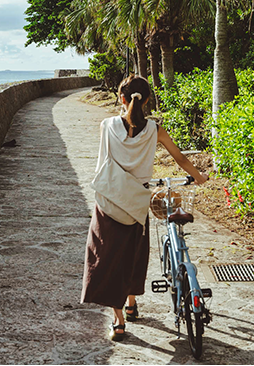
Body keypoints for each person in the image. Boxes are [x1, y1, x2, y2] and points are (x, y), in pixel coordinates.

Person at [81, 74, 208, 341]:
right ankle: (131, 304)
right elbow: (180, 157)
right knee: (131, 256)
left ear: (121, 98)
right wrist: (199, 176)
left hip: (110, 202)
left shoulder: (107, 126)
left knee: (107, 258)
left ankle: (118, 322)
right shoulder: (155, 130)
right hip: (137, 204)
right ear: (147, 100)